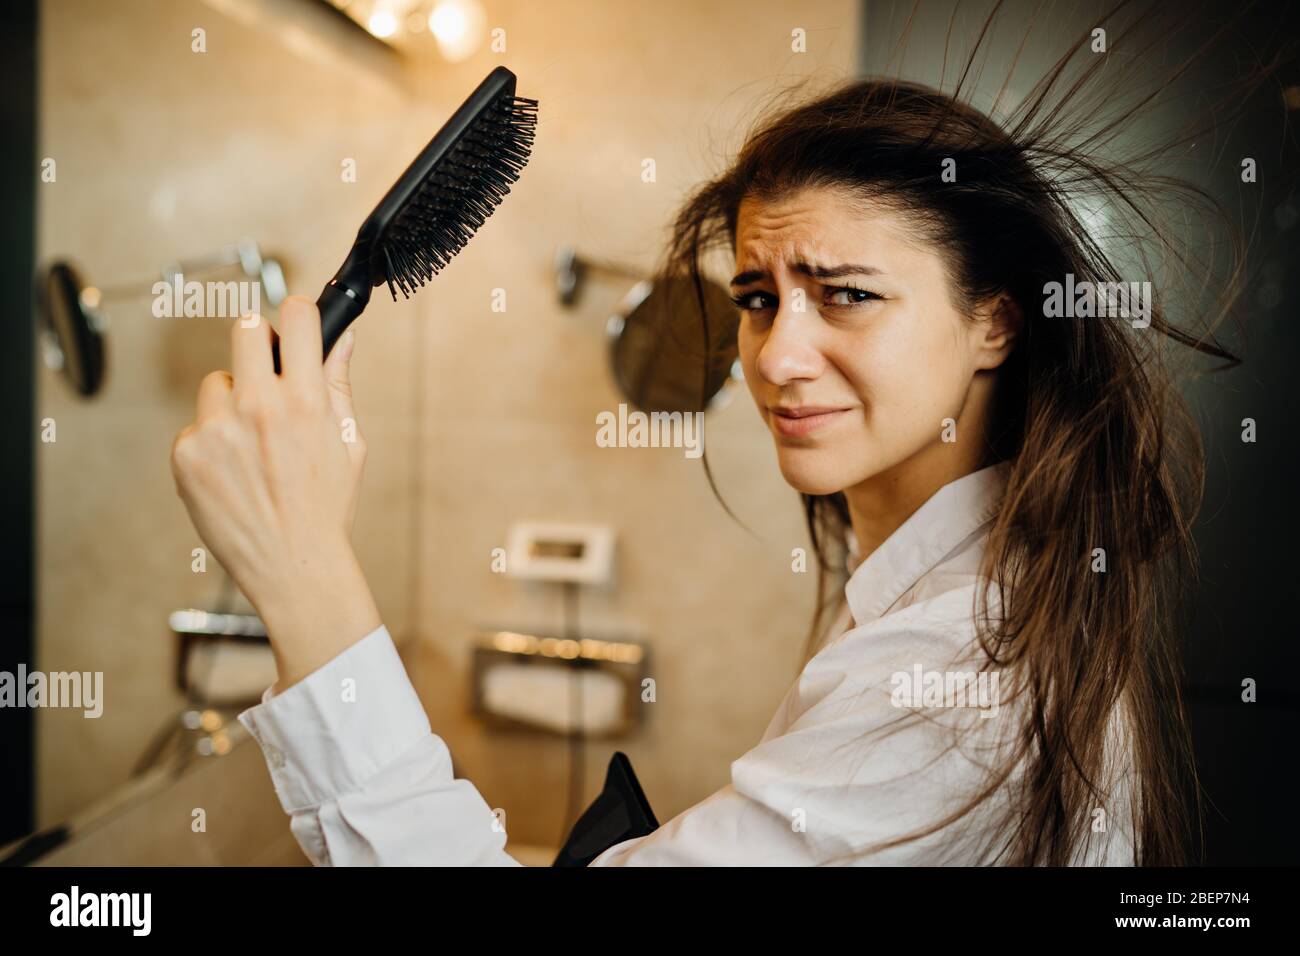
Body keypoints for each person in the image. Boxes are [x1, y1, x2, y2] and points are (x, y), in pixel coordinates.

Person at [169, 13, 1253, 865]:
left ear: (995, 319)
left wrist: (304, 566)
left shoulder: (956, 679)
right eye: (757, 295)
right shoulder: (940, 594)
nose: (774, 356)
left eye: (846, 295)